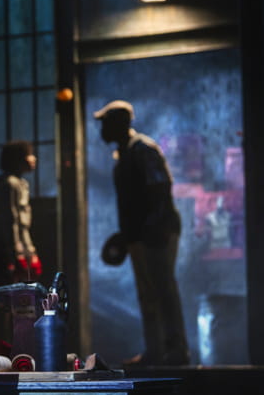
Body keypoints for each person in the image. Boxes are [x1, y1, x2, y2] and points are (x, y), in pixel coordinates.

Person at [93, 99, 189, 367]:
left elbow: (160, 188)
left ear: (120, 123)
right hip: (140, 235)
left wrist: (152, 228)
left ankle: (176, 350)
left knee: (163, 291)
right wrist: (128, 235)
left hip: (156, 232)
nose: (102, 129)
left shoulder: (142, 149)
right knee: (149, 294)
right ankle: (156, 351)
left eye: (106, 123)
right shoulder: (124, 155)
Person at [0, 140, 42, 286]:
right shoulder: (10, 185)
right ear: (18, 160)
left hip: (16, 247)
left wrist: (30, 252)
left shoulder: (21, 184)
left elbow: (21, 225)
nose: (34, 158)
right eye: (29, 155)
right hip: (5, 250)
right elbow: (10, 222)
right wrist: (18, 254)